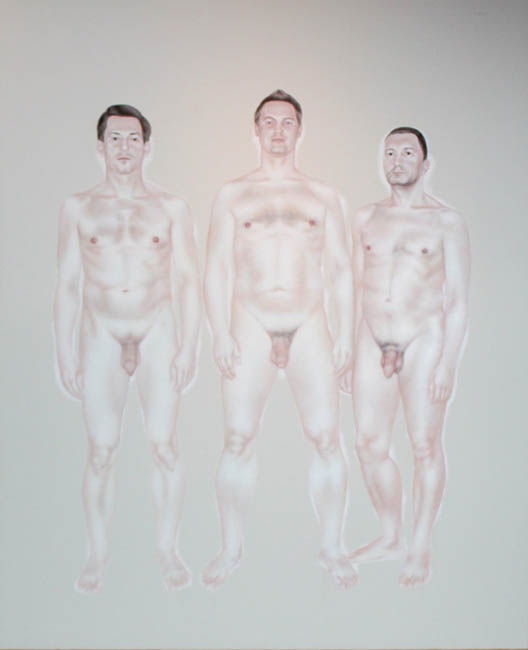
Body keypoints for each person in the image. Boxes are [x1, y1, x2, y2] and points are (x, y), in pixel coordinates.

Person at [203, 90, 357, 588]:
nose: (277, 130)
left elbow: (341, 269)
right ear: (255, 130)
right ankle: (230, 548)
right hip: (250, 320)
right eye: (268, 122)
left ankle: (332, 547)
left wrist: (347, 333)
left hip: (309, 321)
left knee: (327, 436)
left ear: (299, 130)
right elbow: (215, 268)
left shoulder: (323, 195)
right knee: (237, 436)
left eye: (286, 122)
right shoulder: (233, 194)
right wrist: (219, 332)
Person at [54, 104, 201, 592]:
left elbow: (187, 280)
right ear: (100, 146)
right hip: (100, 332)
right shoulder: (78, 207)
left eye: (132, 138)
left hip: (157, 330)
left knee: (164, 446)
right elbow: (68, 283)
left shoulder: (171, 207)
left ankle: (168, 550)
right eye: (114, 138)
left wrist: (189, 346)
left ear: (147, 146)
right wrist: (64, 352)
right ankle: (96, 556)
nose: (124, 146)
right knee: (101, 449)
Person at [342, 127, 470, 586]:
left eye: (407, 153)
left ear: (425, 164)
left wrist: (448, 362)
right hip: (372, 336)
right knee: (368, 443)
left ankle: (420, 545)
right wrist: (347, 348)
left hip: (423, 338)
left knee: (423, 444)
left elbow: (457, 300)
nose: (397, 161)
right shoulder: (365, 217)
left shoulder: (445, 222)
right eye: (390, 153)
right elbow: (357, 287)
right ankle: (391, 535)